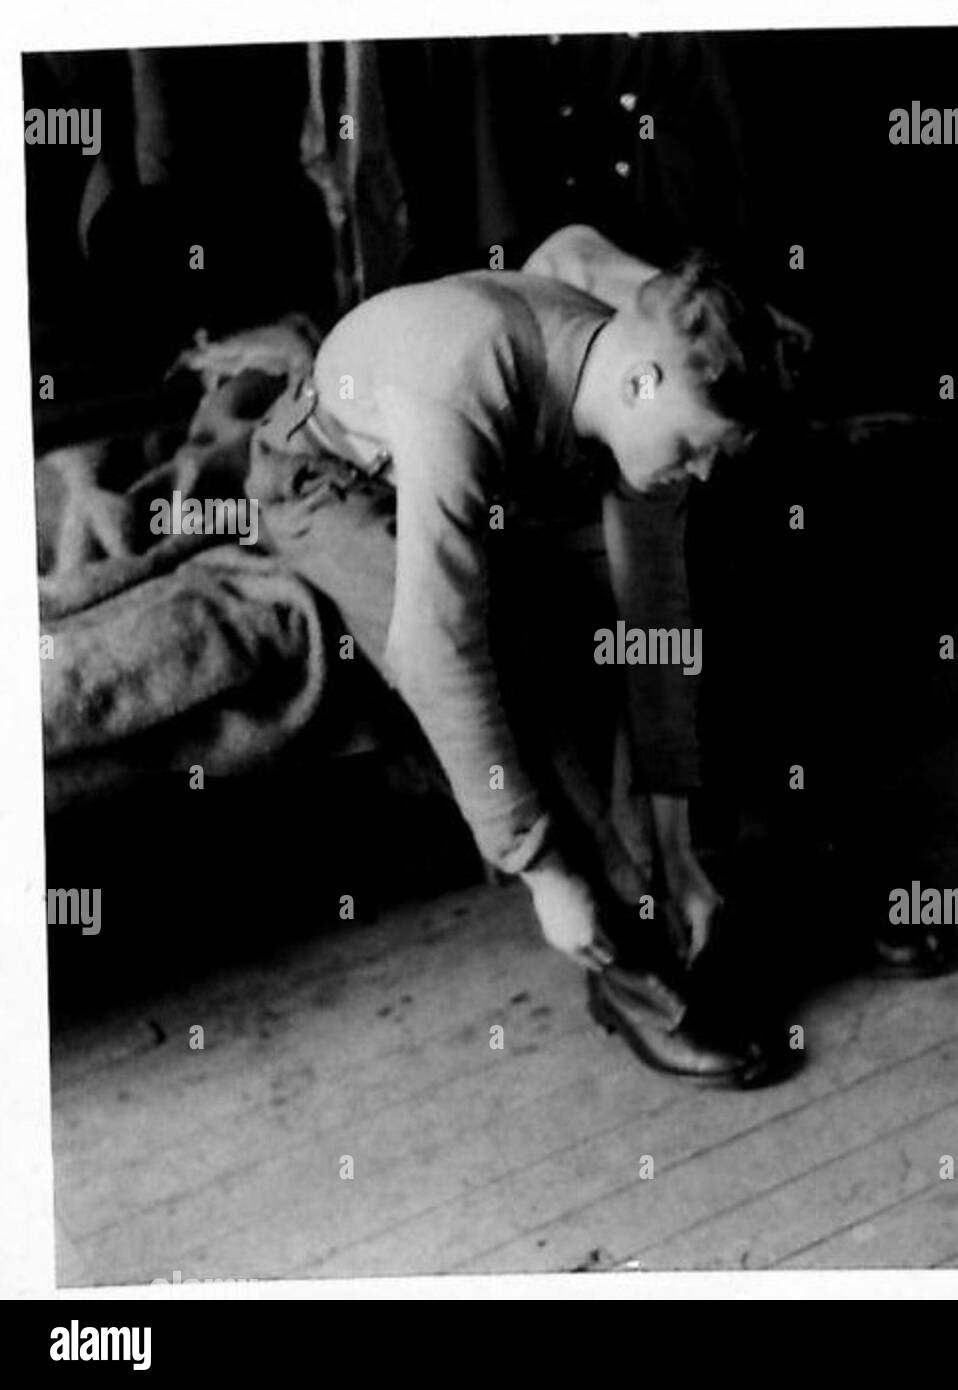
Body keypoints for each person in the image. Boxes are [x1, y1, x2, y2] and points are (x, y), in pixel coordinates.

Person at [245, 225, 797, 1086]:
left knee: (659, 605)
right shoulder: (466, 382)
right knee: (509, 672)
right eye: (692, 448)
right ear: (641, 382)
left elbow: (654, 629)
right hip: (324, 479)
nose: (698, 471)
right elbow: (436, 651)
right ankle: (632, 979)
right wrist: (540, 871)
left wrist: (675, 835)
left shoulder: (640, 372)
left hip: (461, 467)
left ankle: (686, 882)